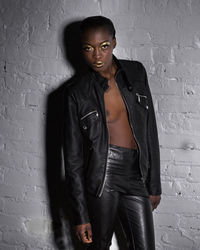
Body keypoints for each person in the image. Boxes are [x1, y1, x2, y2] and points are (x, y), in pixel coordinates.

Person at [64, 16, 161, 250]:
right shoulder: (76, 93)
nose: (97, 56)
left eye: (103, 46)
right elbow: (73, 159)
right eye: (88, 48)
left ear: (114, 42)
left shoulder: (136, 72)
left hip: (135, 173)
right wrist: (80, 215)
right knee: (100, 245)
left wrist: (154, 183)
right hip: (102, 176)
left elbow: (150, 130)